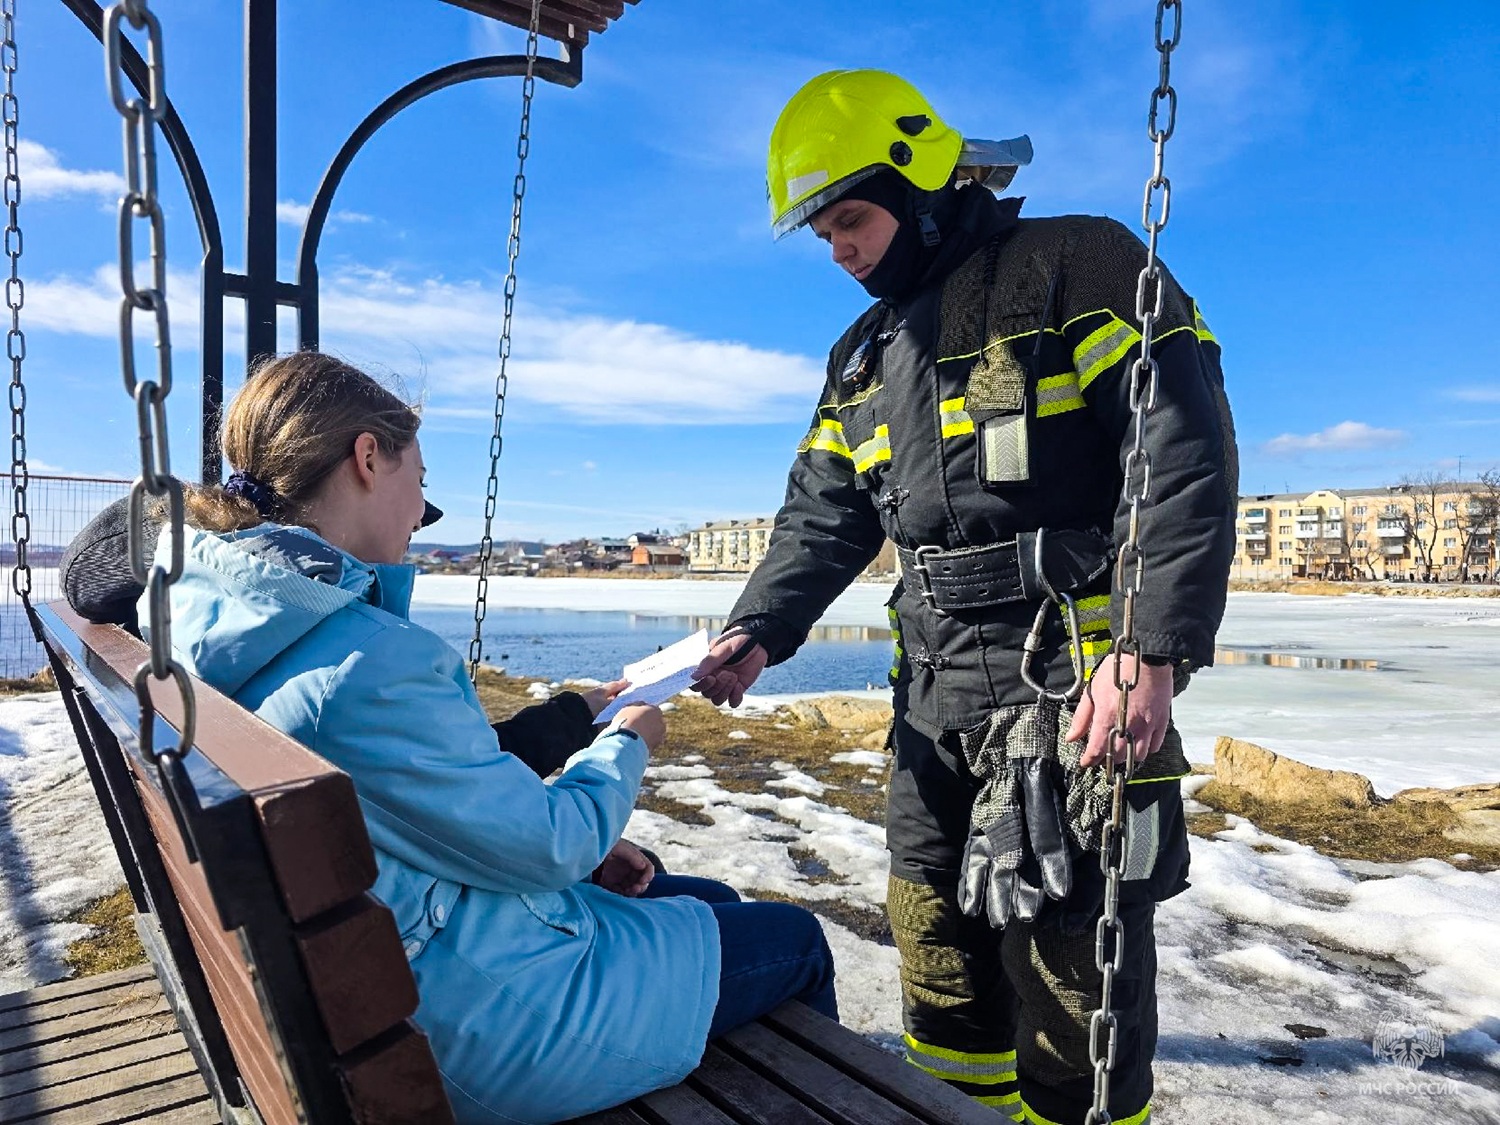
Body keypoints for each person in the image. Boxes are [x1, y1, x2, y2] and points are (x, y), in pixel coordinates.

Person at [693, 71, 1237, 1125]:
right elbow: (822, 514)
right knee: (934, 943)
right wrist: (760, 627)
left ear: (923, 183)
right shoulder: (862, 356)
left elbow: (1180, 453)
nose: (839, 250)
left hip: (1069, 689)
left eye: (851, 220)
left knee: (1071, 980)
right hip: (931, 700)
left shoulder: (1079, 266)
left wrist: (1149, 648)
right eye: (824, 235)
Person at [118, 352, 836, 1125]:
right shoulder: (364, 661)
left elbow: (407, 806)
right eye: (420, 479)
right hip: (478, 1022)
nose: (422, 513)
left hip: (371, 980)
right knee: (797, 940)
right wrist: (628, 739)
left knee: (713, 902)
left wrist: (584, 812)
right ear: (368, 458)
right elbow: (548, 845)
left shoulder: (217, 622)